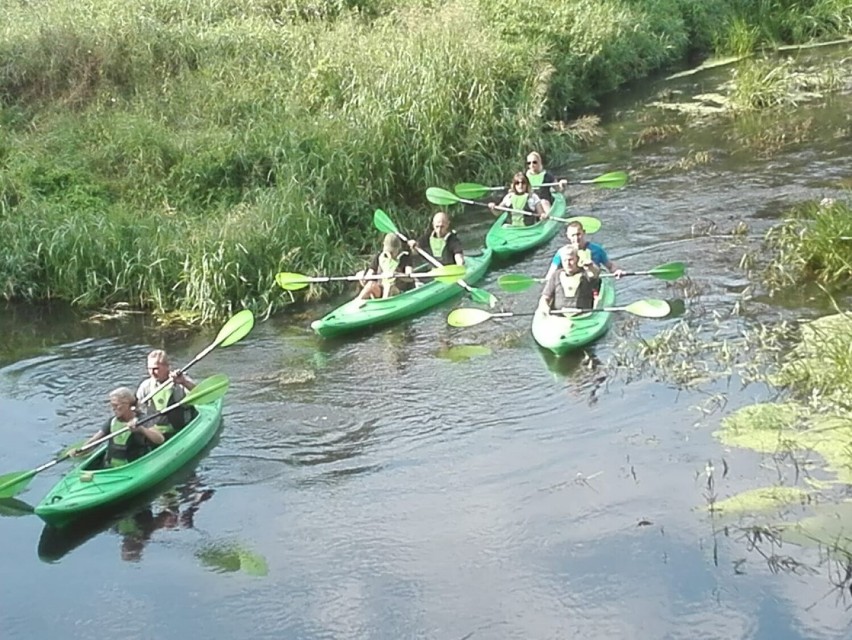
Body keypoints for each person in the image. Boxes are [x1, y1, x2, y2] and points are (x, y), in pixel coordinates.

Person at [78, 387, 164, 468]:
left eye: (116, 405)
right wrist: (80, 451)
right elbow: (94, 441)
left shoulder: (142, 420)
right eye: (111, 405)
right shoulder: (112, 421)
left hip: (135, 466)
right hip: (110, 467)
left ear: (127, 404)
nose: (113, 409)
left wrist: (141, 429)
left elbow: (160, 439)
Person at [136, 349, 197, 439]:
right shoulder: (146, 386)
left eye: (156, 368)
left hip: (180, 428)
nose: (152, 372)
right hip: (156, 431)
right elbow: (137, 406)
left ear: (167, 367)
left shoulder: (180, 380)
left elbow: (197, 392)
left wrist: (184, 382)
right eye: (149, 369)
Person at [544, 220, 625, 281]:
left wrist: (617, 271)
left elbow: (610, 266)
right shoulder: (562, 253)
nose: (576, 238)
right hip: (572, 283)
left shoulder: (597, 249)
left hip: (593, 282)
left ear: (583, 233)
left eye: (578, 234)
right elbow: (551, 273)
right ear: (568, 236)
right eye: (572, 235)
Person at [538, 245, 601, 313]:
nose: (568, 263)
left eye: (571, 260)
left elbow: (595, 274)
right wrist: (544, 306)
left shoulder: (586, 274)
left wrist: (590, 267)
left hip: (583, 316)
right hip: (558, 316)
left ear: (577, 259)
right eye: (565, 260)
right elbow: (545, 297)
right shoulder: (556, 275)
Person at [355, 233, 414, 304]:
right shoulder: (379, 257)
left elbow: (410, 278)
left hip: (399, 292)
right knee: (370, 284)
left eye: (392, 252)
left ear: (398, 248)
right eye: (388, 251)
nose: (390, 255)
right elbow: (370, 273)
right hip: (381, 290)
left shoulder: (405, 258)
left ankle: (384, 306)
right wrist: (363, 277)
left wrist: (396, 274)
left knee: (389, 286)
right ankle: (357, 303)